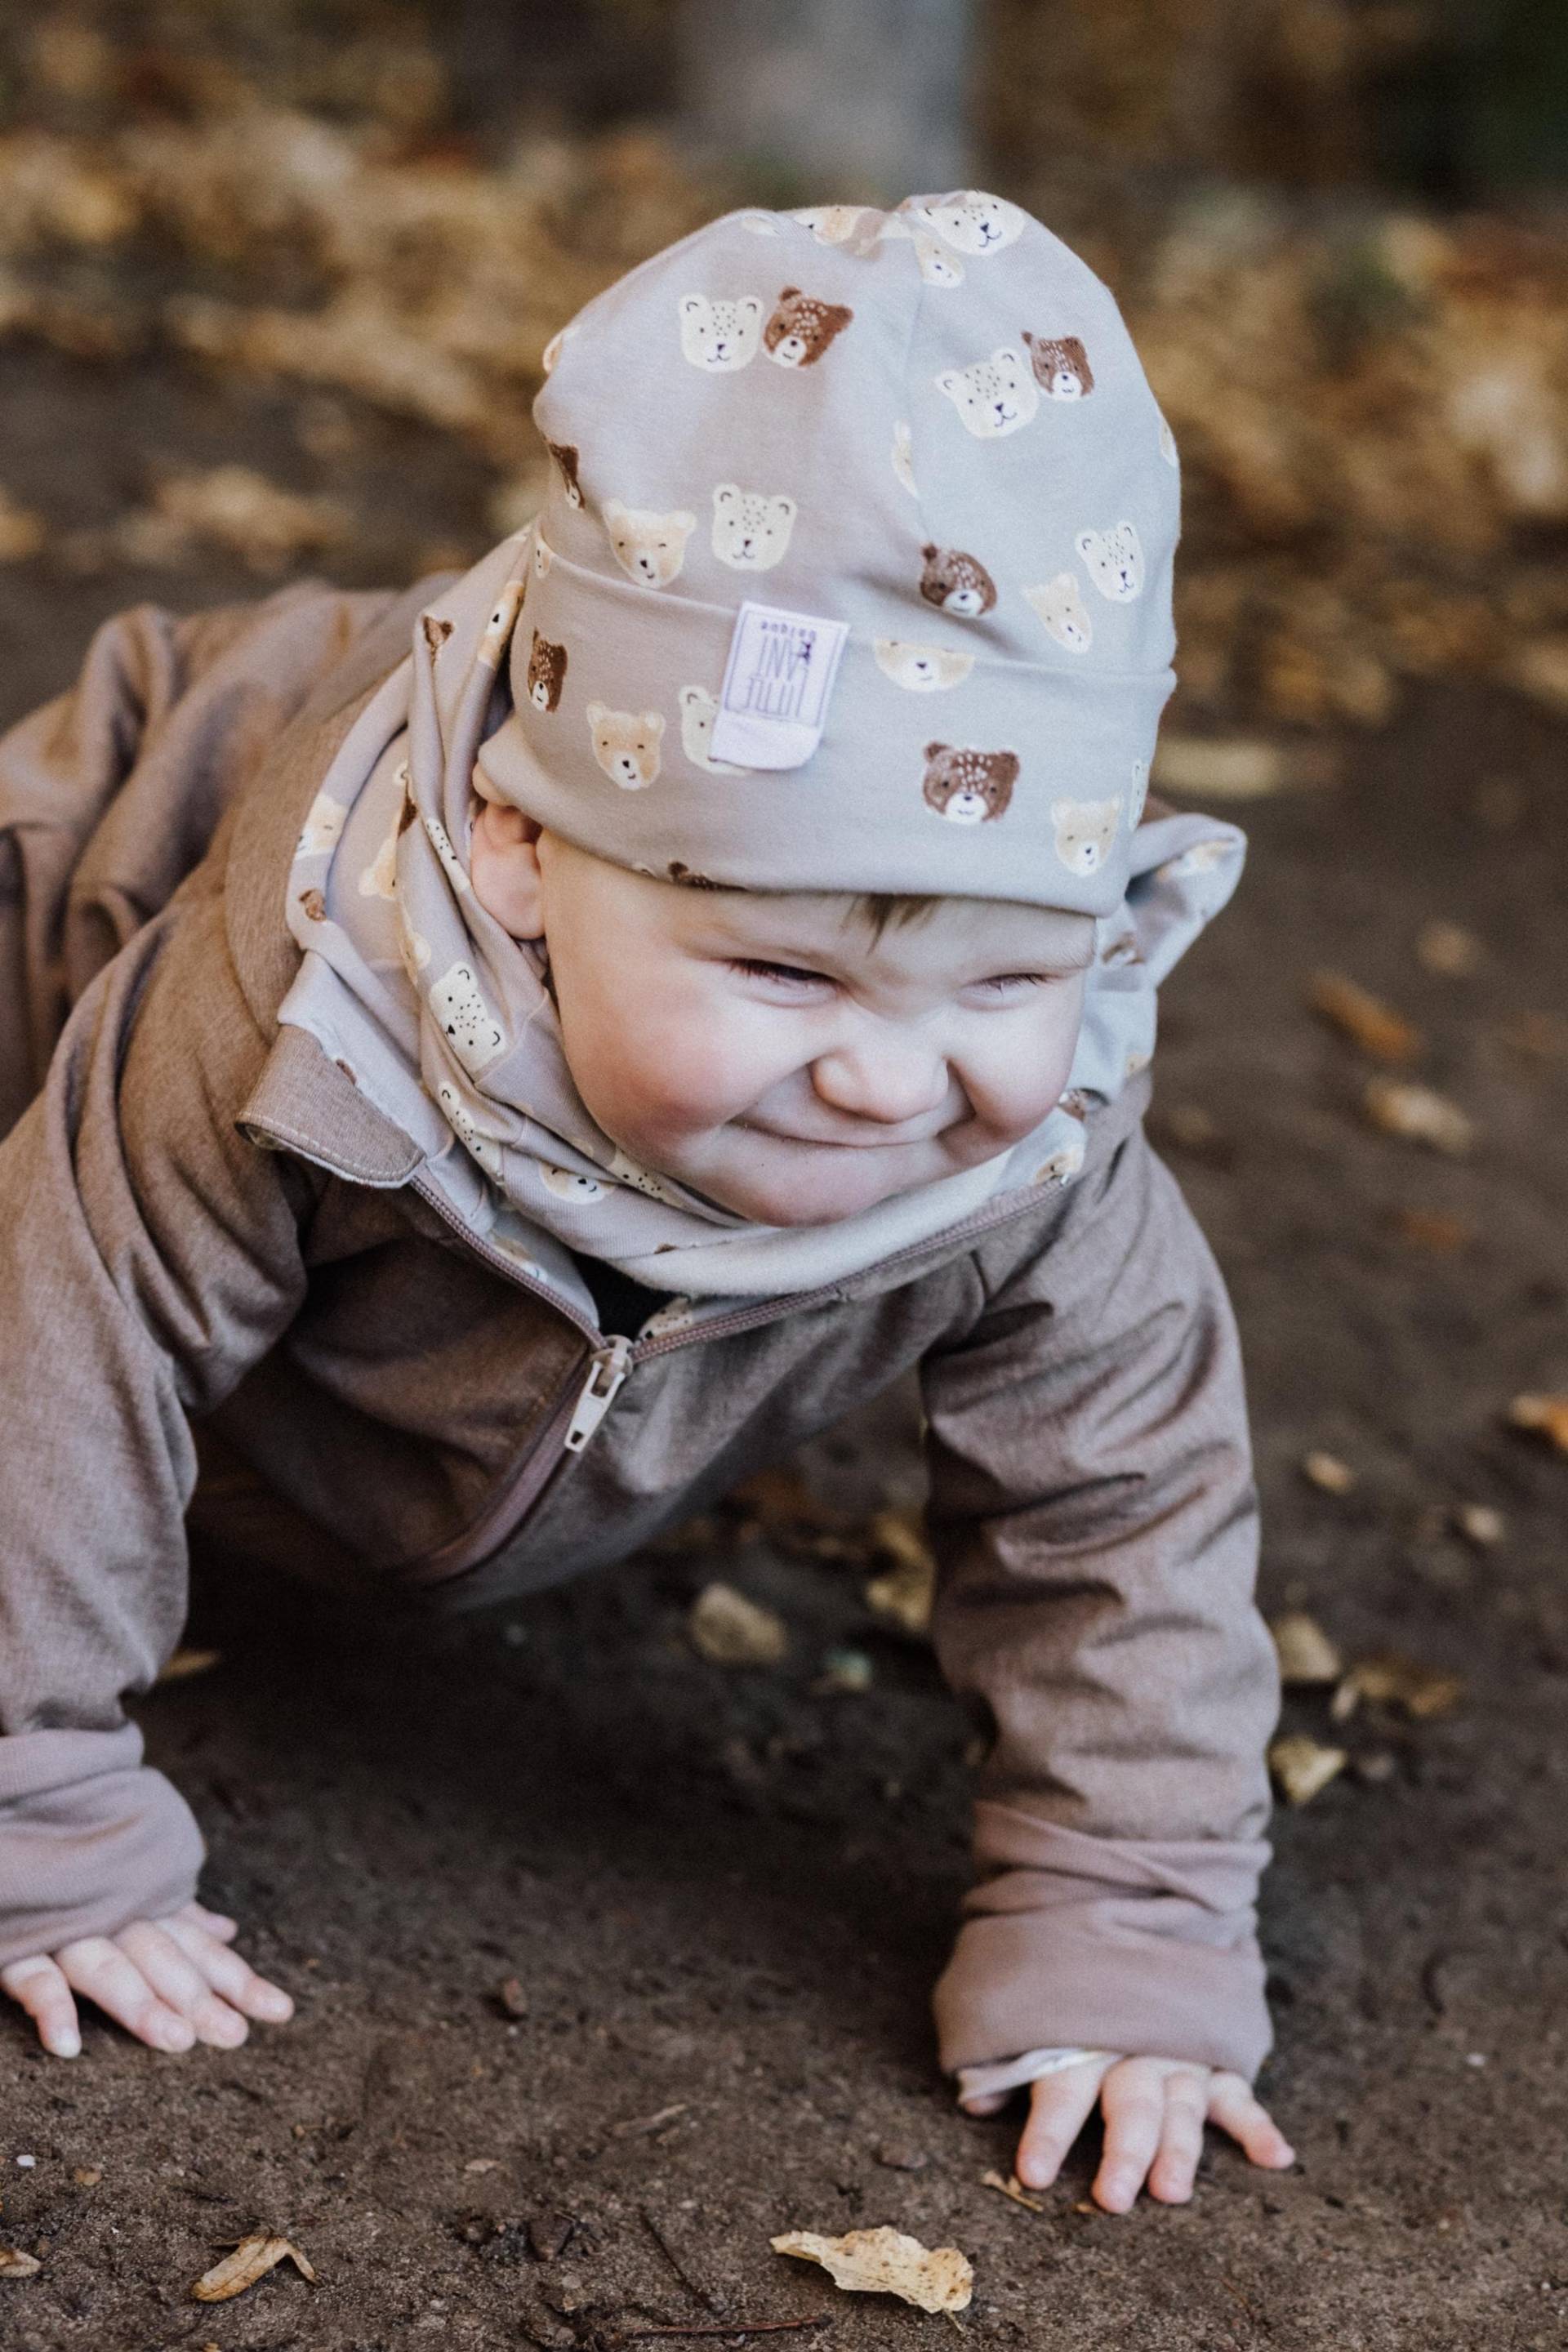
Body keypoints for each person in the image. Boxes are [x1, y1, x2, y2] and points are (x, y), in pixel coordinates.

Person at [0, 191, 1294, 2212]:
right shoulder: (300, 986)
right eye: (787, 974)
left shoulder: (1029, 1153)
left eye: (1010, 979)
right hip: (57, 944)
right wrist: (34, 1810)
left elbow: (1125, 1502)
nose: (890, 1072)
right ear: (518, 849)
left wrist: (1129, 1921)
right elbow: (64, 1328)